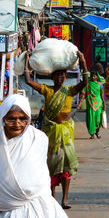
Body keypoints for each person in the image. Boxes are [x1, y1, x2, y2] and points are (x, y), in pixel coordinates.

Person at [24, 50, 89, 209]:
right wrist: (27, 61)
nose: (60, 78)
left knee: (66, 168)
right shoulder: (46, 90)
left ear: (66, 77)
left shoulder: (70, 91)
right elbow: (28, 80)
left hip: (65, 134)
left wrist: (83, 61)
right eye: (57, 75)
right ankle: (52, 196)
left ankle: (65, 199)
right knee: (50, 166)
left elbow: (85, 81)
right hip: (50, 133)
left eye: (63, 75)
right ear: (52, 77)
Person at [84, 65, 106, 139]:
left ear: (97, 76)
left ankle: (97, 132)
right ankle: (92, 134)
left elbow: (102, 94)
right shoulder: (88, 84)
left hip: (99, 103)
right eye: (92, 76)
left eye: (95, 76)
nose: (93, 78)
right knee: (91, 119)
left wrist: (104, 103)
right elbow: (84, 93)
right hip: (90, 103)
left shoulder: (100, 84)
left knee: (97, 119)